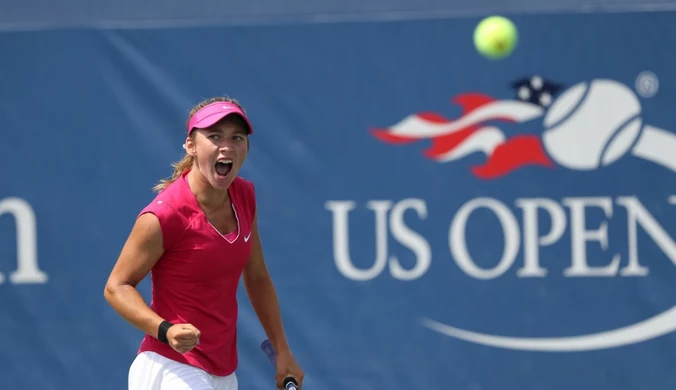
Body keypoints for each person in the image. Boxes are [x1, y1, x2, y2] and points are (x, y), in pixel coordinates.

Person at [104, 96, 304, 390]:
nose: (227, 146)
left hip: (222, 371)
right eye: (214, 136)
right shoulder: (164, 215)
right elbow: (116, 287)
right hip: (170, 365)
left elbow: (257, 276)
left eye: (237, 137)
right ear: (191, 146)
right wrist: (165, 330)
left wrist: (282, 350)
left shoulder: (245, 196)